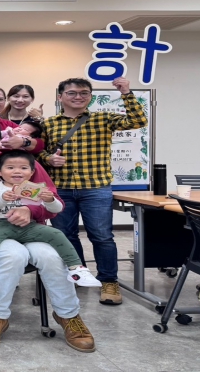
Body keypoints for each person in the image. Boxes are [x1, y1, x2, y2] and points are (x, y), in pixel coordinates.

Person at [0, 121, 95, 353]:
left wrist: (30, 210)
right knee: (12, 254)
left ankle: (68, 315)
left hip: (31, 228)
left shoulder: (23, 163)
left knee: (51, 256)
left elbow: (53, 201)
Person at [39, 77, 147, 306]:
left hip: (95, 188)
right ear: (60, 97)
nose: (78, 97)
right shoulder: (49, 124)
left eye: (84, 93)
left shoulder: (103, 118)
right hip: (60, 189)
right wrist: (48, 159)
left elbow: (138, 121)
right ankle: (78, 274)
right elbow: (39, 153)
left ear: (90, 96)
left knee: (102, 237)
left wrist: (126, 92)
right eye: (72, 93)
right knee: (66, 236)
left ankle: (109, 281)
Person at [0, 149, 100, 293]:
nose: (17, 171)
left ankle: (77, 269)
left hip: (29, 226)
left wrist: (50, 199)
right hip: (1, 224)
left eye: (24, 168)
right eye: (10, 167)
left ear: (31, 172)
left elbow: (57, 209)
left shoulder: (34, 188)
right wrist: (2, 198)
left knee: (56, 233)